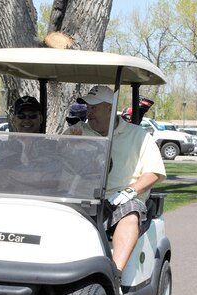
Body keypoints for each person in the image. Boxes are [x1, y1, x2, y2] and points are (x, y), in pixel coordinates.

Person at [67, 85, 166, 274]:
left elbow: (154, 172)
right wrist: (69, 145)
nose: (90, 112)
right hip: (83, 197)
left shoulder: (138, 135)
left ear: (111, 109)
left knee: (130, 213)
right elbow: (57, 161)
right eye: (88, 107)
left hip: (122, 198)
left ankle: (114, 274)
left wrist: (129, 191)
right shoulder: (78, 131)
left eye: (94, 107)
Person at [0, 96, 60, 194]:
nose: (27, 120)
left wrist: (12, 174)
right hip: (8, 201)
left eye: (32, 116)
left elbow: (56, 176)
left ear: (41, 118)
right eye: (21, 116)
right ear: (14, 120)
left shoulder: (52, 146)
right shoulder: (3, 147)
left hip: (43, 201)